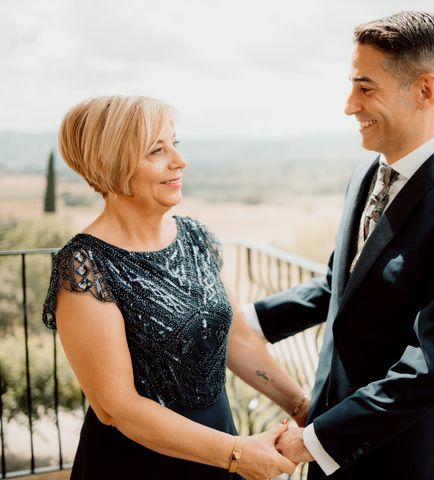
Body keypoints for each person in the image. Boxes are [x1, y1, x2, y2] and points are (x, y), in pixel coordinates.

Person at [243, 11, 434, 479]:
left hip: (396, 459)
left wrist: (313, 441)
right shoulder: (367, 174)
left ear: (426, 90)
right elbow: (338, 288)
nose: (349, 105)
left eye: (366, 89)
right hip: (330, 442)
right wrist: (245, 321)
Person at [42, 95, 308, 480]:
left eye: (174, 144)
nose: (179, 161)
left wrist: (301, 405)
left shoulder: (195, 237)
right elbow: (116, 407)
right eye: (156, 150)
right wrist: (236, 454)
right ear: (111, 163)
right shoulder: (85, 266)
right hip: (137, 466)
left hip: (219, 448)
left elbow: (238, 340)